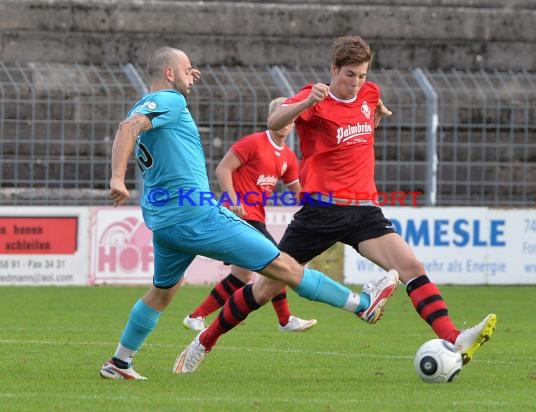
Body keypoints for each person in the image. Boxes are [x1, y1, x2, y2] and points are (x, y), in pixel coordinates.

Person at [99, 46, 399, 380]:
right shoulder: (172, 101)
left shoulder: (150, 103)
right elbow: (128, 127)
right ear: (169, 74)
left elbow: (134, 122)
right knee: (283, 266)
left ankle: (119, 361)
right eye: (187, 70)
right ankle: (361, 306)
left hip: (164, 221)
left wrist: (182, 77)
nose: (193, 75)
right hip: (197, 215)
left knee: (162, 291)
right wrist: (117, 178)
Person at [262, 35, 497, 366]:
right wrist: (304, 103)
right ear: (334, 70)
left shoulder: (369, 94)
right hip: (322, 211)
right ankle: (205, 338)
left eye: (362, 75)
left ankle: (454, 337)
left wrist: (376, 115)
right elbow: (274, 122)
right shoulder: (314, 97)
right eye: (349, 75)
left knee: (411, 267)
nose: (357, 83)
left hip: (363, 210)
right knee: (265, 288)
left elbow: (363, 121)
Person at [182, 97, 317, 333]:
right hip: (241, 217)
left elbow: (299, 191)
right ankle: (285, 320)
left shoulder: (287, 156)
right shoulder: (253, 143)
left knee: (243, 276)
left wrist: (322, 206)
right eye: (281, 114)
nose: (286, 121)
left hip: (255, 218)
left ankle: (196, 316)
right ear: (270, 118)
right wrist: (233, 199)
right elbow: (223, 168)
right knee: (278, 262)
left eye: (290, 117)